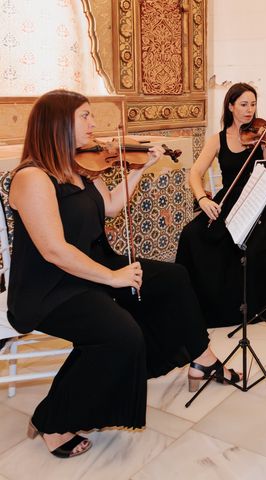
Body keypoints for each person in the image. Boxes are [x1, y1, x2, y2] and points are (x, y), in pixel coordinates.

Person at [7, 89, 240, 459]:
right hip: (51, 287)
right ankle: (53, 420)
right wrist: (112, 278)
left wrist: (140, 168)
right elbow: (53, 249)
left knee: (174, 279)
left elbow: (112, 205)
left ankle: (201, 357)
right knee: (122, 335)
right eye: (84, 117)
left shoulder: (82, 165)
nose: (93, 124)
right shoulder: (32, 177)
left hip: (92, 268)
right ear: (57, 124)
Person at [176, 82, 266, 327]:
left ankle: (251, 302)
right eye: (243, 104)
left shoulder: (263, 137)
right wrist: (203, 199)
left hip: (259, 203)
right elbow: (195, 173)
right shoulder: (218, 139)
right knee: (191, 235)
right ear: (230, 106)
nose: (249, 110)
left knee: (247, 244)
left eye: (252, 104)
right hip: (228, 202)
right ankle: (196, 301)